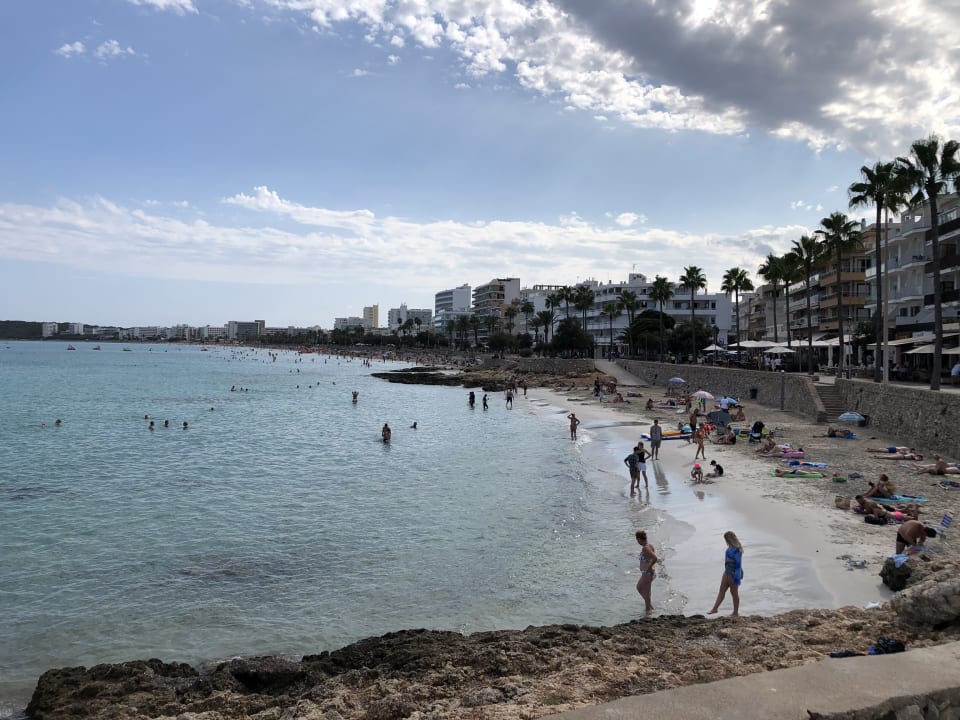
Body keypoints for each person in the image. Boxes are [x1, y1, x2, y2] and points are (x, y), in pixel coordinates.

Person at [708, 531, 743, 617]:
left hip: (734, 573)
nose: (726, 541)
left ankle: (735, 612)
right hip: (726, 571)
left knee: (734, 593)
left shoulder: (737, 549)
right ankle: (715, 609)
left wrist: (737, 576)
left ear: (729, 539)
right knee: (722, 590)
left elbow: (738, 564)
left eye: (726, 539)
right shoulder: (729, 548)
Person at [635, 530, 657, 613]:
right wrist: (651, 567)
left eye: (637, 540)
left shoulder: (645, 548)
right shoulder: (650, 546)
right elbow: (651, 559)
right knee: (639, 588)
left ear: (639, 539)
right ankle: (650, 607)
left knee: (646, 593)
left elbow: (655, 558)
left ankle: (648, 611)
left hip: (647, 574)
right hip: (646, 573)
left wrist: (650, 567)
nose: (637, 542)